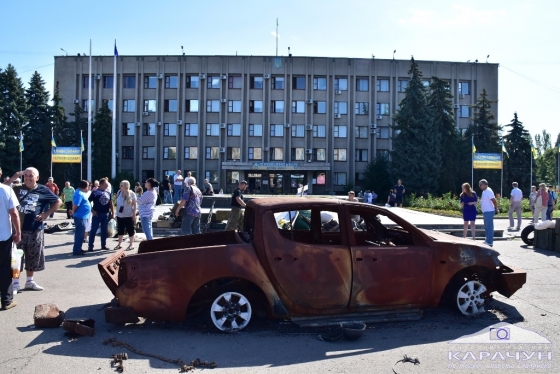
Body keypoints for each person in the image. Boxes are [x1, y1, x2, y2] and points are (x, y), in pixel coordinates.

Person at [11, 167, 62, 292]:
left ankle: (30, 281)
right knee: (16, 259)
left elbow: (58, 201)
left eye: (31, 175)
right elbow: (3, 188)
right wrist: (15, 176)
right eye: (26, 175)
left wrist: (46, 214)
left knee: (33, 256)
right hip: (19, 229)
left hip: (35, 229)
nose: (28, 178)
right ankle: (15, 283)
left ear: (37, 178)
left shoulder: (43, 189)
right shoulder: (17, 188)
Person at [0, 167, 21, 310]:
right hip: (3, 235)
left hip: (4, 235)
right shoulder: (6, 190)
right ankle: (6, 301)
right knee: (4, 267)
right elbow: (14, 213)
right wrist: (18, 232)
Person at [88, 178, 114, 251]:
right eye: (106, 184)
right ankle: (90, 246)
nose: (107, 185)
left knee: (104, 230)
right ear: (102, 184)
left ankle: (103, 245)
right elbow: (88, 202)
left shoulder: (108, 192)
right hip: (97, 214)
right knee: (93, 230)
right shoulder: (95, 192)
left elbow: (111, 203)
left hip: (106, 214)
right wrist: (92, 210)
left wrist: (112, 212)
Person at [114, 180, 137, 251]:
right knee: (120, 229)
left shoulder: (132, 193)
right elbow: (116, 202)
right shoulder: (119, 192)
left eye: (121, 185)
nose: (120, 187)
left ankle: (131, 244)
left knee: (130, 229)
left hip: (128, 214)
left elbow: (135, 205)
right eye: (120, 185)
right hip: (120, 214)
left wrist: (134, 214)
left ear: (126, 186)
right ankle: (119, 244)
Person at [71, 180, 91, 256]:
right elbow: (76, 205)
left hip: (82, 216)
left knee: (81, 234)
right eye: (88, 186)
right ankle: (76, 250)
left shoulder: (80, 193)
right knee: (79, 234)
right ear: (85, 186)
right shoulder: (79, 193)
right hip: (80, 217)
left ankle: (79, 248)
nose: (89, 188)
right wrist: (73, 211)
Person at [479, 179, 499, 247]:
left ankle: (489, 242)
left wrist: (496, 208)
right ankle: (487, 240)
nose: (480, 186)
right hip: (486, 211)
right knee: (487, 227)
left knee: (489, 227)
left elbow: (494, 200)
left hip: (489, 211)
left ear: (485, 185)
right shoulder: (484, 191)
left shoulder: (488, 191)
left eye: (480, 184)